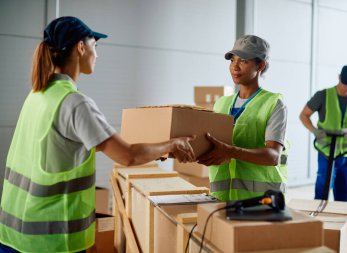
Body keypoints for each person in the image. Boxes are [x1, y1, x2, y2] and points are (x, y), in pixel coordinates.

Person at [0, 16, 196, 253]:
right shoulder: (73, 103)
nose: (97, 54)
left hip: (14, 236)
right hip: (51, 242)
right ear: (80, 47)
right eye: (95, 45)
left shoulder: (37, 95)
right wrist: (172, 144)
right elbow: (128, 156)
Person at [198, 35, 288, 201]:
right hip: (222, 199)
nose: (235, 67)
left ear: (260, 65)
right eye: (232, 60)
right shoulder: (221, 104)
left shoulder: (274, 103)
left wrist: (230, 152)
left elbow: (273, 155)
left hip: (259, 202)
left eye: (244, 61)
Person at [299, 65, 347, 202]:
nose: (346, 87)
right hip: (326, 151)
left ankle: (342, 221)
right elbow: (304, 115)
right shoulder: (323, 95)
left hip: (345, 153)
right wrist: (315, 131)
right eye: (344, 83)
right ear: (339, 77)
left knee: (343, 194)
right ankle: (318, 220)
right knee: (322, 190)